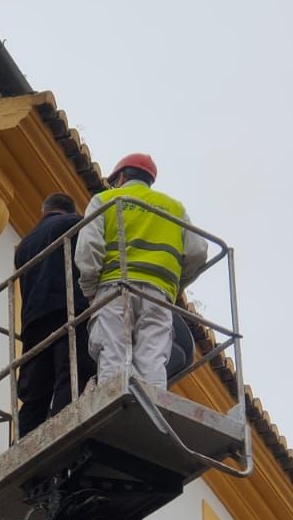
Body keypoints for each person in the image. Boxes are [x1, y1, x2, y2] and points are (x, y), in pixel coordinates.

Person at [74, 152, 204, 387]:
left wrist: (90, 289)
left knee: (113, 353)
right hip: (158, 294)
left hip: (114, 288)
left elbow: (88, 249)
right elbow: (198, 252)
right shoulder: (174, 208)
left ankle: (114, 404)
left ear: (121, 177)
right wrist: (174, 284)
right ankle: (151, 407)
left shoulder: (106, 200)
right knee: (153, 358)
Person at [13, 192, 92, 435]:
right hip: (69, 310)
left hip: (33, 322)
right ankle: (61, 436)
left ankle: (23, 445)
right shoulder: (75, 224)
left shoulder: (24, 245)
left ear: (44, 211)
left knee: (35, 391)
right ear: (69, 210)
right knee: (70, 375)